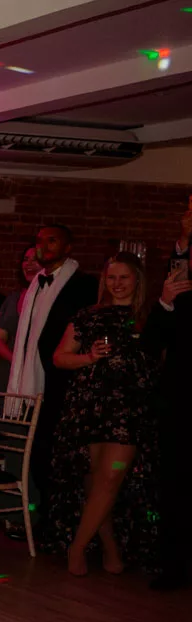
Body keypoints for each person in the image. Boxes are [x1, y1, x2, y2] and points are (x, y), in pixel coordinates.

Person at [45, 253, 159, 577]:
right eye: (112, 277)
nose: (118, 283)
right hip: (91, 407)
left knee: (111, 477)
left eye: (124, 277)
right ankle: (109, 548)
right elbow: (58, 358)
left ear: (137, 280)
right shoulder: (88, 316)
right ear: (104, 281)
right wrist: (89, 357)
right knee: (95, 482)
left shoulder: (149, 317)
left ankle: (76, 548)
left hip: (131, 411)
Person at [6, 224, 99, 505]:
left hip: (63, 382)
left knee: (55, 456)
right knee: (37, 454)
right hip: (36, 384)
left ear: (68, 248)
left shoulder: (83, 284)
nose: (43, 246)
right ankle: (44, 517)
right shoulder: (35, 284)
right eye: (39, 241)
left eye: (52, 240)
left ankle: (56, 520)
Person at [144, 201, 192, 590]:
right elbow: (152, 343)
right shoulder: (180, 287)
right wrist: (165, 301)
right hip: (181, 399)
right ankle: (172, 565)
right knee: (175, 483)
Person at [0, 244, 39, 391]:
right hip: (10, 370)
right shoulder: (13, 298)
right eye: (25, 259)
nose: (29, 263)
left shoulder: (51, 299)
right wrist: (16, 361)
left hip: (36, 373)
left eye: (35, 259)